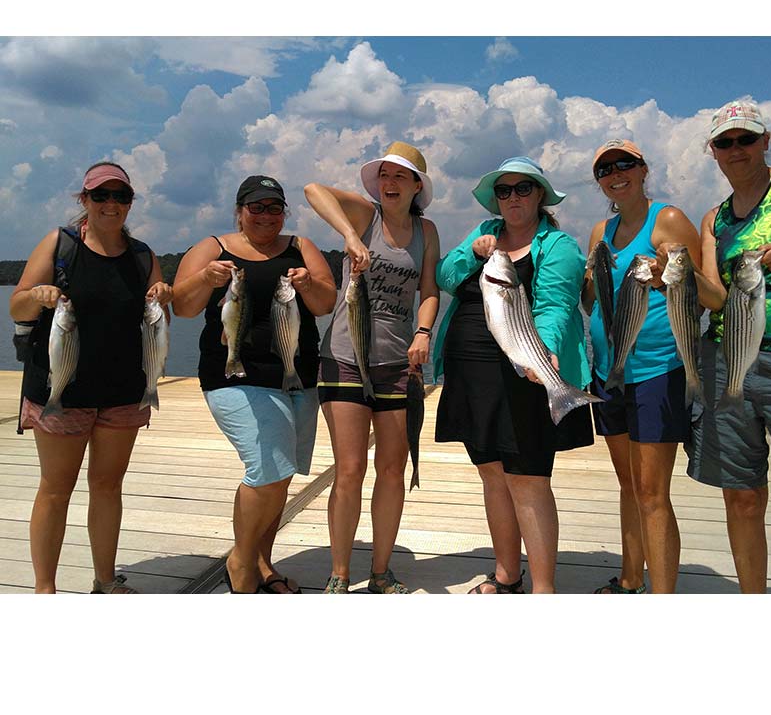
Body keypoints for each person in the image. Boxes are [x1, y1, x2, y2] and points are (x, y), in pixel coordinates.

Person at [433, 156, 593, 594]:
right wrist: (474, 250)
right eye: (504, 191)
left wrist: (545, 354)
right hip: (472, 375)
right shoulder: (483, 233)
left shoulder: (558, 245)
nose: (513, 197)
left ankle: (543, 589)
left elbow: (555, 306)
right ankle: (506, 574)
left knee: (528, 478)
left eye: (524, 188)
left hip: (528, 373)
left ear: (540, 194)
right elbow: (445, 277)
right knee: (491, 473)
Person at [10, 162, 172, 593]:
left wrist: (164, 294)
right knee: (55, 488)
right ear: (84, 200)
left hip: (123, 393)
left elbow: (160, 317)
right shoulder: (60, 245)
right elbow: (17, 307)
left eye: (121, 197)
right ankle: (46, 588)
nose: (111, 204)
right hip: (60, 391)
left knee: (107, 486)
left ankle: (104, 580)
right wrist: (36, 296)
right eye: (101, 196)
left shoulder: (142, 256)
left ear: (130, 203)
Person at [172, 175, 336, 593]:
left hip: (296, 376)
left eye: (275, 208)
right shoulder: (213, 249)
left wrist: (307, 284)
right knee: (266, 468)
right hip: (234, 375)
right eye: (257, 207)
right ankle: (241, 563)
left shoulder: (301, 247)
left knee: (280, 477)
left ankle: (263, 563)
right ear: (239, 210)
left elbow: (325, 303)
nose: (266, 216)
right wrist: (204, 280)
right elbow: (184, 306)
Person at [582, 138, 720, 594]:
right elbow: (589, 303)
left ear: (643, 170)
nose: (615, 173)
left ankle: (663, 598)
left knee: (652, 493)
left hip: (657, 369)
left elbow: (710, 300)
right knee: (628, 484)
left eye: (625, 164)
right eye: (606, 168)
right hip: (609, 370)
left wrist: (677, 269)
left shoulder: (669, 218)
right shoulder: (600, 231)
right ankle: (628, 579)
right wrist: (586, 277)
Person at [304, 141, 440, 593]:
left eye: (400, 176)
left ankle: (381, 571)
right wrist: (349, 234)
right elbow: (312, 189)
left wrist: (423, 333)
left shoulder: (428, 231)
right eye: (384, 174)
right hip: (344, 358)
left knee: (392, 469)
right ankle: (339, 574)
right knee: (349, 470)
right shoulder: (366, 215)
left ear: (417, 185)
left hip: (398, 364)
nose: (390, 182)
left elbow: (430, 290)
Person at [687, 101, 771, 593]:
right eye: (724, 142)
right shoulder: (713, 219)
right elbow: (714, 295)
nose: (736, 150)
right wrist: (679, 277)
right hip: (728, 359)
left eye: (745, 139)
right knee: (742, 495)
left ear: (765, 141)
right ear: (713, 152)